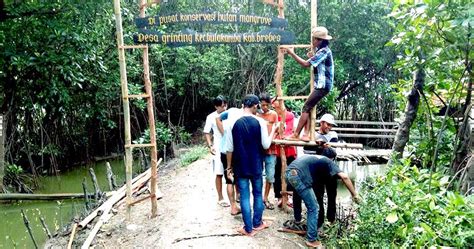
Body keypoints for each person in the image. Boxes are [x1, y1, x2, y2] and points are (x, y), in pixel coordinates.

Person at [225, 94, 277, 236]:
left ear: (243, 105)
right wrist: (273, 130)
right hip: (256, 165)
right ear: (255, 106)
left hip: (240, 165)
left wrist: (229, 167)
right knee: (258, 194)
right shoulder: (260, 122)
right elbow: (266, 145)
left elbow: (229, 148)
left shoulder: (231, 122)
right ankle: (258, 223)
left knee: (244, 196)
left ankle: (248, 228)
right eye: (257, 106)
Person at [285, 155, 359, 248]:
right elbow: (345, 177)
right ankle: (311, 239)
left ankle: (298, 221)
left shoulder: (316, 159)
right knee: (314, 208)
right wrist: (354, 195)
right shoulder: (330, 163)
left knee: (301, 196)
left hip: (288, 174)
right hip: (297, 176)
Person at [285, 27, 334, 142]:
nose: (312, 41)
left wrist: (292, 53)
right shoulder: (322, 51)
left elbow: (306, 64)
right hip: (321, 85)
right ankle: (306, 134)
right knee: (309, 107)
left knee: (306, 107)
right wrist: (312, 55)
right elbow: (315, 61)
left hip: (322, 85)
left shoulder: (324, 51)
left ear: (319, 41)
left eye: (314, 40)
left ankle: (296, 134)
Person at [304, 113, 339, 229]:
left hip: (330, 170)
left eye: (331, 125)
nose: (329, 127)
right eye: (327, 124)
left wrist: (325, 147)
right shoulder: (313, 134)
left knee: (332, 195)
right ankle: (319, 221)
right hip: (317, 171)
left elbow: (333, 153)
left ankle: (331, 219)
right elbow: (307, 151)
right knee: (318, 195)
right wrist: (316, 145)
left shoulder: (333, 135)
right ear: (322, 123)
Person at [216, 105, 244, 215]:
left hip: (225, 150)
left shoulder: (232, 111)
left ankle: (233, 205)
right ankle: (236, 205)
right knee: (238, 177)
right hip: (233, 151)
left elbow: (218, 118)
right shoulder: (245, 116)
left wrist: (224, 132)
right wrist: (223, 132)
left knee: (230, 178)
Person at [271, 98, 297, 208]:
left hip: (289, 149)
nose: (276, 109)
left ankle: (289, 196)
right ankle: (279, 197)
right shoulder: (273, 116)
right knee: (277, 174)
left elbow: (290, 131)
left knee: (291, 173)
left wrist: (283, 137)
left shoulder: (290, 115)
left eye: (278, 107)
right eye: (275, 107)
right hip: (277, 150)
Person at [203, 95, 228, 207]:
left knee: (234, 170)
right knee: (219, 172)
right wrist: (210, 145)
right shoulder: (211, 117)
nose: (224, 108)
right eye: (222, 106)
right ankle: (220, 197)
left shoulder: (230, 114)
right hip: (218, 146)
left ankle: (237, 196)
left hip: (230, 145)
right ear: (216, 106)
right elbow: (207, 132)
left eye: (225, 105)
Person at [257, 93, 278, 210]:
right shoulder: (257, 114)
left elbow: (277, 128)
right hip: (259, 150)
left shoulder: (273, 114)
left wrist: (272, 137)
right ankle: (259, 198)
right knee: (258, 174)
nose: (264, 107)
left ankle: (265, 198)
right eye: (262, 105)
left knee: (270, 176)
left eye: (266, 105)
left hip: (271, 149)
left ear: (270, 104)